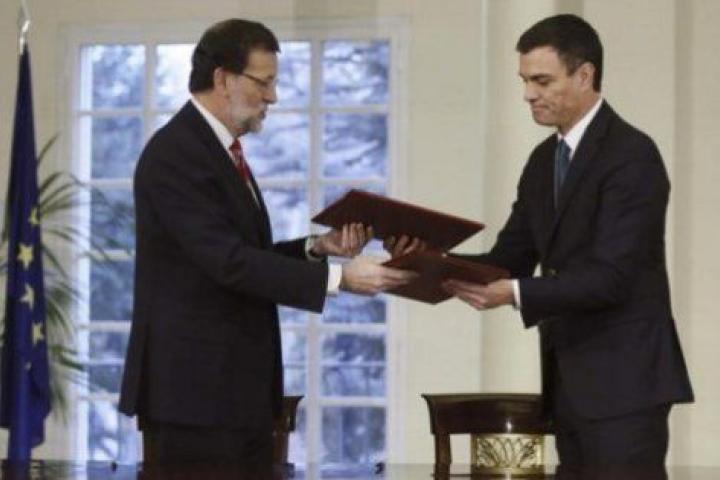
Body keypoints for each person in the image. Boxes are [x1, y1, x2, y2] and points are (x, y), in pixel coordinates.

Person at [391, 14, 693, 478]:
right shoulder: (543, 160)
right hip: (569, 385)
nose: (528, 94)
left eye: (542, 81)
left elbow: (612, 277)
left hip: (626, 387)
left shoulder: (632, 155)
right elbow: (508, 258)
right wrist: (427, 261)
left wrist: (513, 293)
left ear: (584, 75)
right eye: (524, 80)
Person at [118, 18, 413, 469]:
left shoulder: (219, 150)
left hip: (235, 394)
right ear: (223, 79)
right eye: (264, 82)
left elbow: (243, 257)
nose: (272, 96)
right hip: (197, 398)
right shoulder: (176, 153)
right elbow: (229, 263)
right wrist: (340, 279)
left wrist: (319, 248)